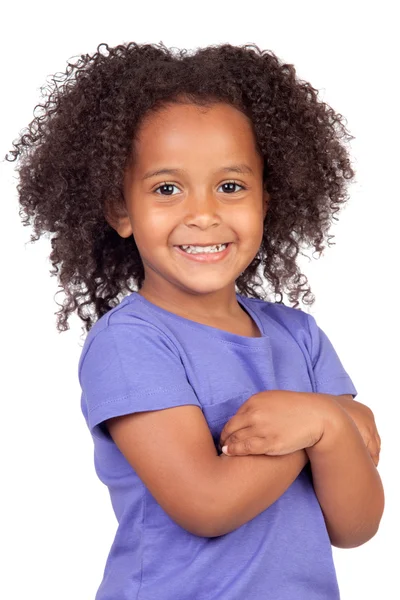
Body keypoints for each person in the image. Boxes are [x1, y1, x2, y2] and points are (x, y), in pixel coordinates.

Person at [6, 41, 384, 600]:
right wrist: (325, 427)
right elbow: (206, 505)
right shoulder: (131, 344)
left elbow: (354, 526)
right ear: (120, 211)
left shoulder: (299, 336)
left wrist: (318, 422)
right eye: (166, 188)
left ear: (266, 201)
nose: (203, 213)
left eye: (231, 187)